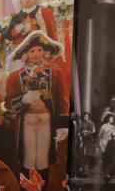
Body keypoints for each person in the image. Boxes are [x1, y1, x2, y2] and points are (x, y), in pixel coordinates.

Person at [4, 30, 69, 176]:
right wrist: (23, 100)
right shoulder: (15, 76)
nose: (36, 53)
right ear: (26, 54)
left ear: (45, 52)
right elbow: (8, 103)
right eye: (32, 50)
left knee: (43, 159)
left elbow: (61, 99)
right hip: (26, 122)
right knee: (28, 159)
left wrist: (63, 125)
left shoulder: (55, 73)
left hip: (46, 121)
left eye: (40, 50)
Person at [4, 0, 58, 72]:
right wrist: (20, 28)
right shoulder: (16, 17)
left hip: (41, 54)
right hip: (21, 56)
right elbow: (8, 35)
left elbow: (52, 33)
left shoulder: (45, 12)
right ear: (20, 1)